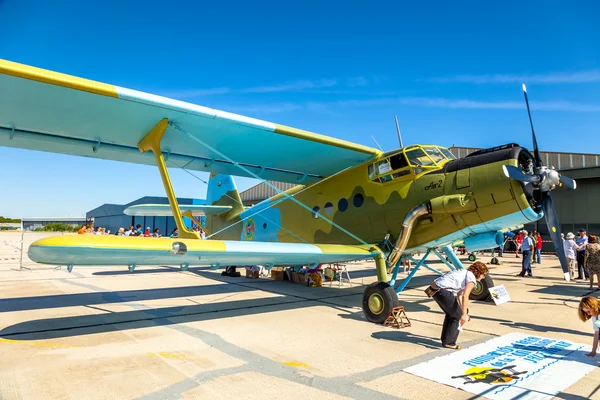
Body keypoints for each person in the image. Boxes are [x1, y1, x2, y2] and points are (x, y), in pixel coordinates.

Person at [428, 261, 489, 350]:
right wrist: (463, 314)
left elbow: (460, 294)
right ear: (478, 273)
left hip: (434, 290)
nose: (483, 277)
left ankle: (445, 339)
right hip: (443, 291)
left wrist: (463, 308)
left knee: (451, 314)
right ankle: (449, 342)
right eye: (483, 275)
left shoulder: (463, 272)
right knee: (457, 316)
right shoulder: (471, 278)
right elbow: (465, 295)